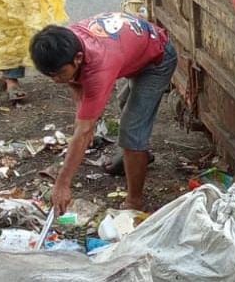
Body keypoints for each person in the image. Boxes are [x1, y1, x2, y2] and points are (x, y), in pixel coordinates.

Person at [30, 13, 177, 213]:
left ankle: (135, 202)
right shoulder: (66, 44)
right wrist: (83, 125)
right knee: (125, 106)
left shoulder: (98, 66)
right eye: (50, 75)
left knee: (131, 130)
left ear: (78, 59)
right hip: (134, 50)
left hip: (157, 59)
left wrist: (63, 183)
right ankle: (136, 155)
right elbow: (76, 85)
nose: (56, 80)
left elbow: (84, 129)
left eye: (60, 74)